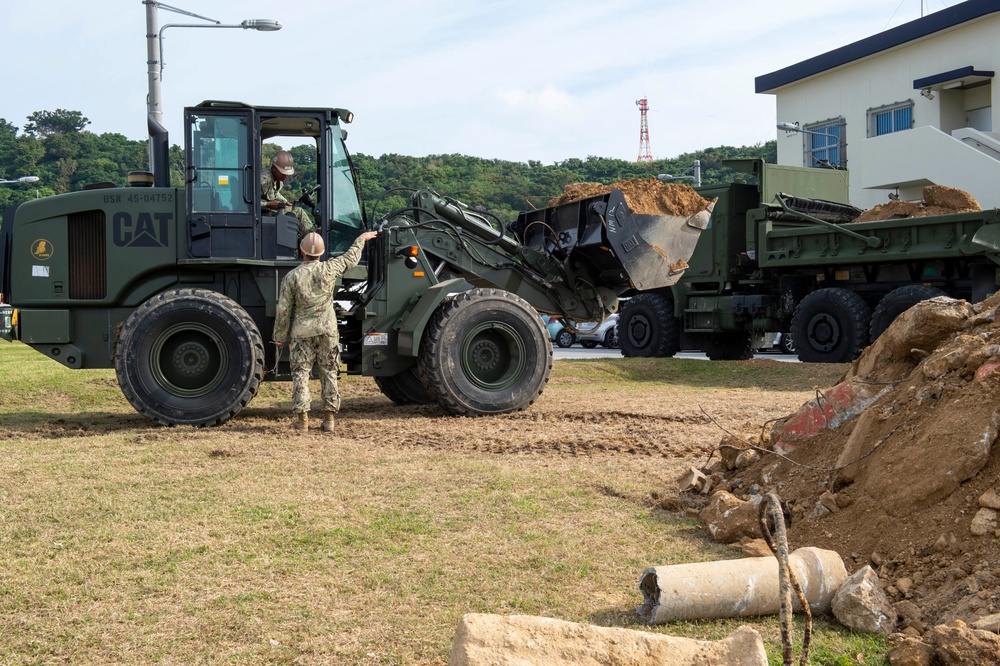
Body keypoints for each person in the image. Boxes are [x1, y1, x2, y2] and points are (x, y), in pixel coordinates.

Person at [273, 228, 379, 432]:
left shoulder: (292, 277)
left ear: (302, 252)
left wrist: (279, 336)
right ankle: (329, 419)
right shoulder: (330, 268)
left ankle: (302, 420)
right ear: (321, 253)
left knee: (301, 374)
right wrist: (361, 239)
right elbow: (351, 258)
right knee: (329, 371)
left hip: (302, 332)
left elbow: (284, 310)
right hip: (327, 330)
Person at [261, 150, 314, 237]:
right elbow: (249, 203)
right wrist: (268, 204)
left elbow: (275, 193)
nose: (285, 176)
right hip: (263, 213)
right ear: (274, 168)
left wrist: (285, 202)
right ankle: (313, 241)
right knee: (299, 212)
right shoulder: (263, 181)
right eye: (283, 174)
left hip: (269, 210)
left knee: (294, 211)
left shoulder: (277, 178)